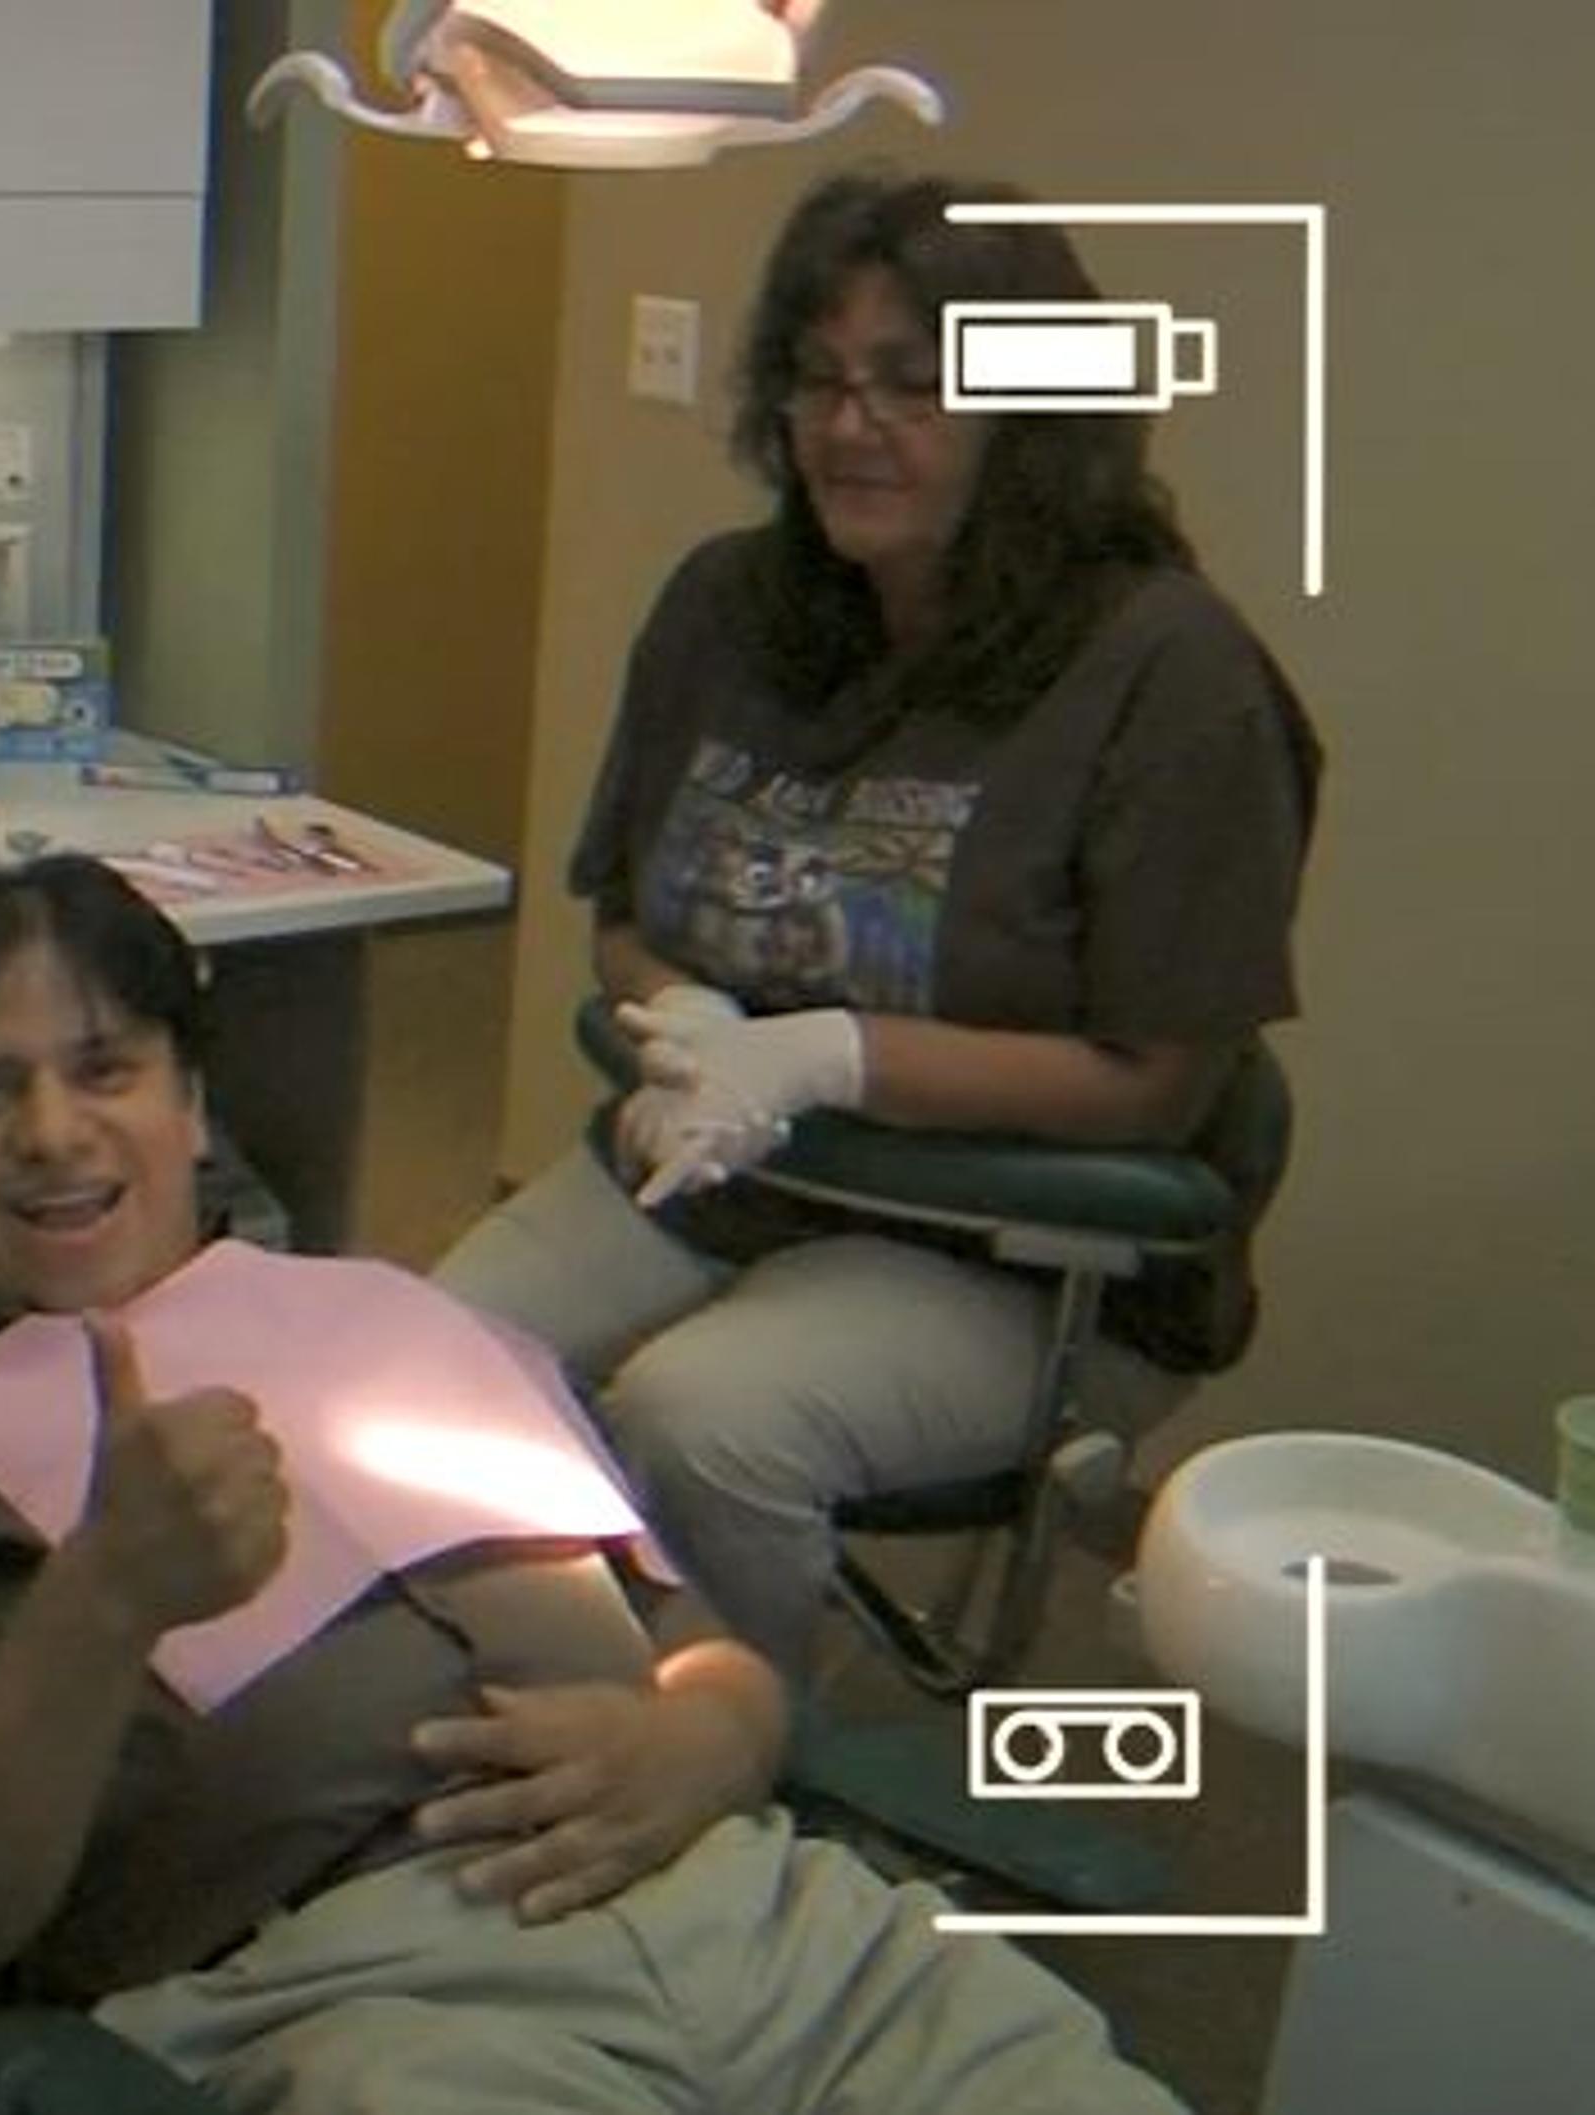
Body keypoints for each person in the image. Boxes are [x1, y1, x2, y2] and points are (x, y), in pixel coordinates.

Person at [0, 853, 1183, 2111]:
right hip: (364, 2005)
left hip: (751, 1909)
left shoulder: (399, 1319)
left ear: (191, 1107)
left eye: (106, 1069)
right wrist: (102, 1604)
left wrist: (713, 1741)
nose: (54, 1132)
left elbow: (693, 1649)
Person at [432, 169, 1325, 1676]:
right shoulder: (728, 607)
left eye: (916, 386)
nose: (854, 428)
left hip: (1021, 1249)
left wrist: (829, 1058)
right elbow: (632, 916)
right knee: (430, 1364)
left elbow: (1162, 1083)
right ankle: (515, 1703)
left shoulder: (1172, 681)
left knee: (700, 1421)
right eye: (820, 381)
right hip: (738, 1182)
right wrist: (694, 1030)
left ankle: (717, 1782)